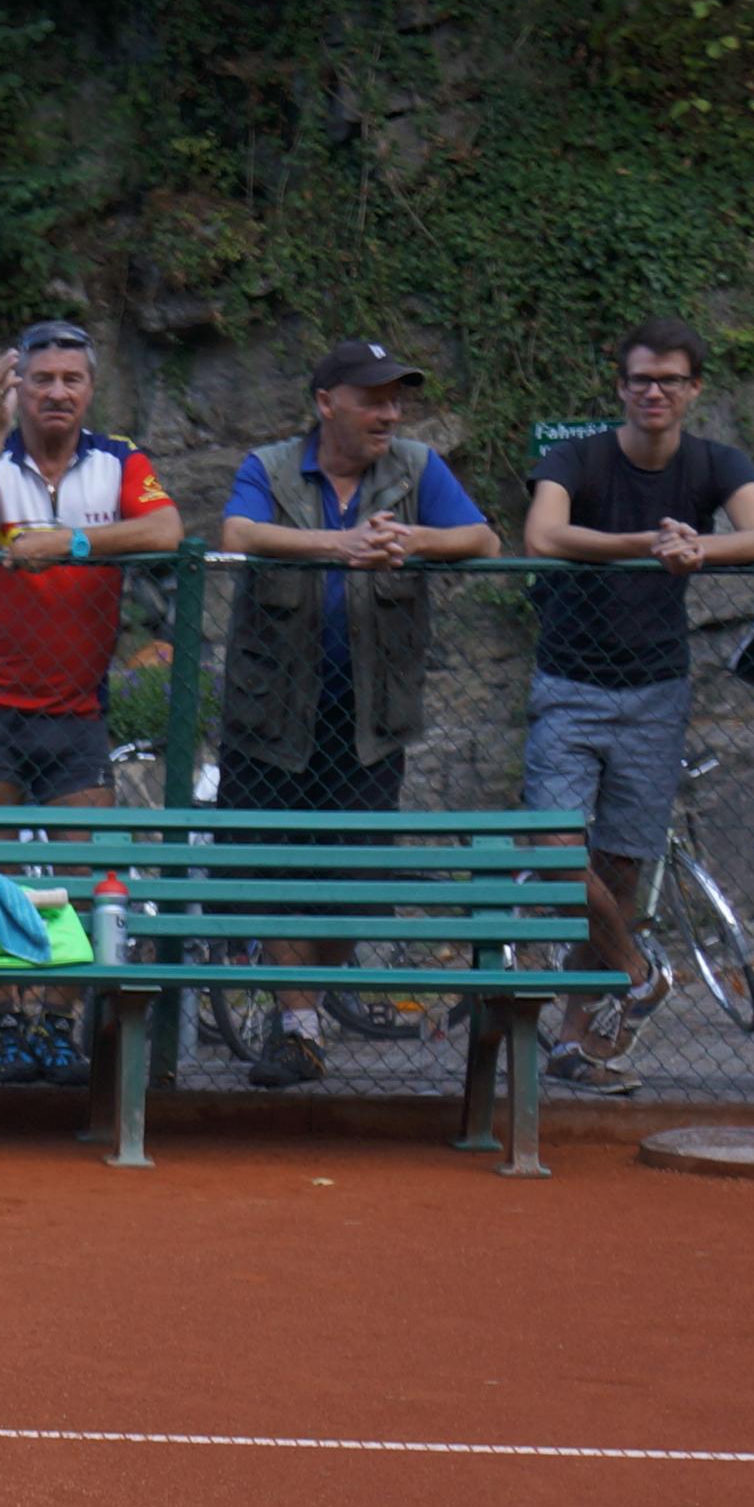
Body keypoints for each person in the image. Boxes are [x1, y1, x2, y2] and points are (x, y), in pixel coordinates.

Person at [214, 339, 504, 1086]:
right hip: (271, 716)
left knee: (354, 887)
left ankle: (304, 1008)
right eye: (373, 399)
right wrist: (337, 544)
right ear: (326, 403)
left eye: (396, 399)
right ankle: (299, 1028)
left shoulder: (417, 467)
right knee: (274, 880)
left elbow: (484, 538)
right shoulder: (270, 467)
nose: (390, 413)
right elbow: (238, 534)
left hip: (369, 721)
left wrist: (415, 540)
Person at [518, 319, 754, 1094]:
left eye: (670, 379)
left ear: (694, 388)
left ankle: (581, 1041)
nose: (654, 391)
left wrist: (698, 548)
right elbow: (543, 535)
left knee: (621, 868)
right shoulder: (578, 457)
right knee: (554, 849)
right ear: (621, 387)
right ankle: (640, 973)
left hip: (656, 690)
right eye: (640, 378)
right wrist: (645, 543)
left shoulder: (714, 461)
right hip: (569, 682)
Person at [0, 318, 181, 1085]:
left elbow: (167, 529)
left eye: (71, 379)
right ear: (18, 388)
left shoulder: (120, 461)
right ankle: (5, 1025)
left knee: (87, 873)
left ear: (91, 389)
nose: (56, 392)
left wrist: (69, 543)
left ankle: (58, 1023)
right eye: (40, 379)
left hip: (76, 708)